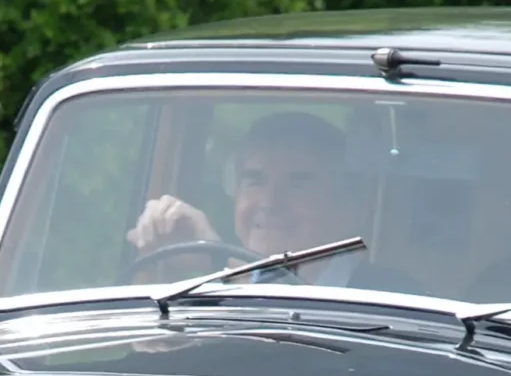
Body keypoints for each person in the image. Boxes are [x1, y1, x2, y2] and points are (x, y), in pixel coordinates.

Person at [126, 112, 415, 291]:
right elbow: (147, 357)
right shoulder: (211, 292)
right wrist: (159, 256)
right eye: (255, 180)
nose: (269, 201)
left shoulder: (389, 299)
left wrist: (223, 262)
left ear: (346, 205)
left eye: (298, 183)